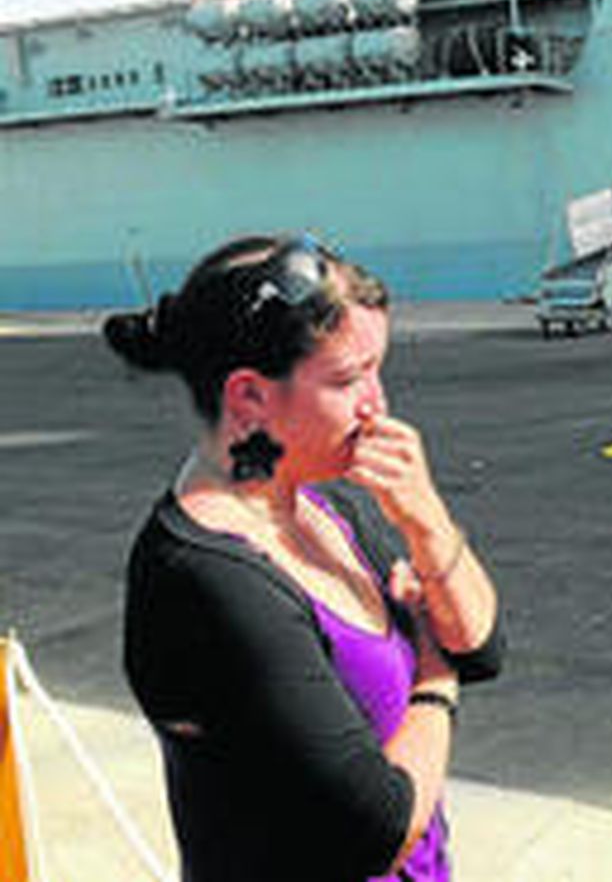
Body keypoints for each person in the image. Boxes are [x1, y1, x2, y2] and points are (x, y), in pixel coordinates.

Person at [106, 233, 503, 882]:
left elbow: (482, 645)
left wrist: (425, 518)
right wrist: (434, 681)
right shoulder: (204, 578)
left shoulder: (323, 506)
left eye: (379, 368)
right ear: (250, 398)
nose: (378, 405)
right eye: (349, 379)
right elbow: (377, 828)